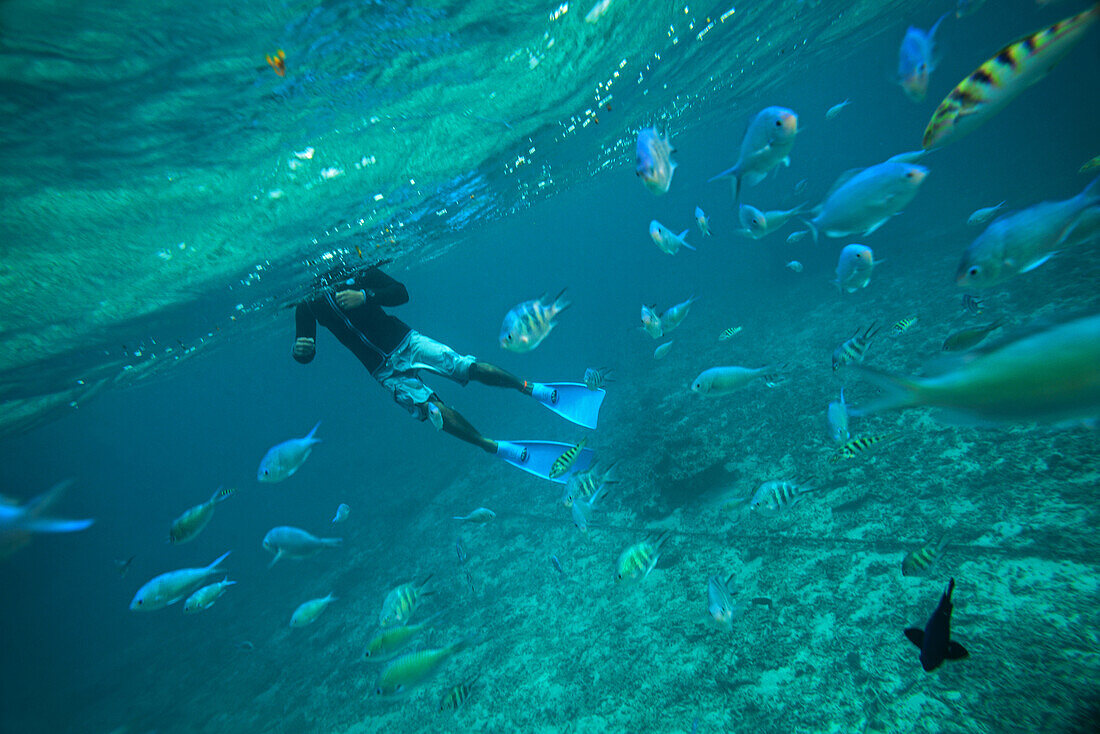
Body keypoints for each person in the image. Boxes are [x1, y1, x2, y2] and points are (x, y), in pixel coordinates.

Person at [292, 265, 601, 472]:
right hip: (381, 369)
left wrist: (365, 294)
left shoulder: (355, 270)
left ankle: (531, 388)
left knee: (465, 367)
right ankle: (492, 446)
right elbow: (305, 346)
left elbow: (400, 292)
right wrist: (301, 351)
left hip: (406, 341)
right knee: (432, 411)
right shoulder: (307, 302)